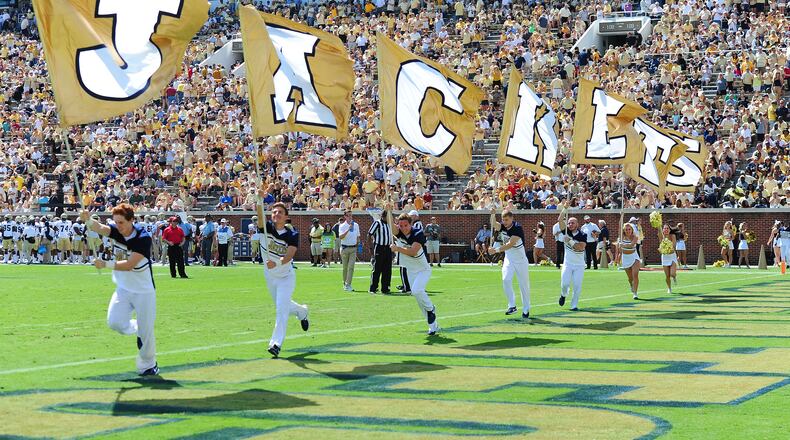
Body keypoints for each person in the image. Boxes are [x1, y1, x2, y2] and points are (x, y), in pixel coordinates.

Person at [80, 204, 159, 376]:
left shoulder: (143, 238)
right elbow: (100, 228)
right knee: (114, 322)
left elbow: (130, 265)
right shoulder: (117, 230)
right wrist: (87, 218)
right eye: (116, 222)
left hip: (143, 291)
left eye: (121, 222)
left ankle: (148, 365)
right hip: (123, 288)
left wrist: (105, 264)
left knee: (147, 334)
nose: (119, 226)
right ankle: (136, 327)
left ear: (132, 220)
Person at [255, 198, 309, 358]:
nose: (276, 214)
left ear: (286, 217)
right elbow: (259, 216)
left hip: (285, 277)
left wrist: (277, 263)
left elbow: (289, 255)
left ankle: (275, 343)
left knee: (281, 310)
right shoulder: (266, 228)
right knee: (285, 306)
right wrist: (259, 199)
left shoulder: (292, 234)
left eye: (280, 212)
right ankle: (303, 311)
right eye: (274, 212)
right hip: (270, 276)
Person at [391, 213, 439, 335]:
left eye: (406, 225)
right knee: (418, 299)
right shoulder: (399, 231)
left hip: (423, 270)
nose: (403, 228)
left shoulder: (418, 234)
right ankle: (433, 327)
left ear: (410, 224)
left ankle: (431, 308)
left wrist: (397, 248)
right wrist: (388, 211)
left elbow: (412, 252)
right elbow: (391, 225)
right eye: (401, 226)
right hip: (410, 270)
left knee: (417, 291)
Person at [489, 209, 531, 319]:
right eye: (503, 220)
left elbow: (510, 244)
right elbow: (494, 224)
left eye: (506, 220)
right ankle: (512, 305)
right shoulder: (502, 226)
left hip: (521, 260)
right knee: (506, 279)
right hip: (509, 259)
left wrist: (496, 250)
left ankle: (526, 308)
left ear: (512, 218)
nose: (505, 222)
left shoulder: (517, 228)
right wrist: (493, 214)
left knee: (524, 285)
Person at [557, 203, 587, 311]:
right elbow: (560, 220)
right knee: (564, 284)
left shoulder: (583, 235)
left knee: (577, 286)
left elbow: (581, 247)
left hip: (579, 265)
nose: (570, 224)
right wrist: (565, 208)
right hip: (568, 264)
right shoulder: (566, 231)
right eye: (569, 223)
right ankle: (563, 294)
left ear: (577, 224)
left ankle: (574, 305)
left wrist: (569, 241)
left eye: (572, 223)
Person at [368, 209, 392, 294]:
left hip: (388, 248)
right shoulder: (377, 223)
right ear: (383, 216)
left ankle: (385, 288)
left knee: (387, 269)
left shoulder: (390, 224)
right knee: (377, 268)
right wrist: (370, 247)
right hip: (379, 247)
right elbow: (370, 234)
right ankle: (373, 288)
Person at [338, 210, 359, 291]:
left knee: (351, 267)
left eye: (351, 215)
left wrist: (358, 244)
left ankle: (348, 284)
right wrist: (348, 229)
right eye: (348, 215)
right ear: (345, 216)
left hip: (353, 248)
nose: (350, 217)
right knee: (345, 268)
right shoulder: (342, 226)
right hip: (344, 248)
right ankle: (344, 283)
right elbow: (341, 237)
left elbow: (358, 236)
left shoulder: (356, 225)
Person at [619, 223, 641, 299]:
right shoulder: (622, 237)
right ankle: (631, 284)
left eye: (629, 229)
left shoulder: (635, 237)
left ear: (632, 230)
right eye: (626, 229)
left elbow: (632, 245)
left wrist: (623, 245)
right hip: (625, 258)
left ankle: (635, 293)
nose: (628, 231)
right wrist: (621, 215)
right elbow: (619, 225)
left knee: (635, 275)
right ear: (624, 230)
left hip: (634, 257)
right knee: (630, 277)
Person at [658, 223, 679, 294]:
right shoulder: (661, 236)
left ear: (670, 230)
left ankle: (674, 277)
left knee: (672, 274)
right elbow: (660, 246)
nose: (666, 230)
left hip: (672, 256)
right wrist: (661, 250)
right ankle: (669, 288)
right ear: (663, 230)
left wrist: (668, 249)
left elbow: (674, 246)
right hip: (665, 257)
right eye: (665, 228)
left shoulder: (672, 236)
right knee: (667, 276)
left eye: (667, 228)